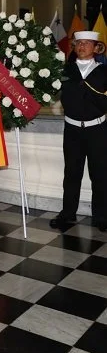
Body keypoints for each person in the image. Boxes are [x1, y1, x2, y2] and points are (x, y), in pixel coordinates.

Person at [51, 31, 107, 231]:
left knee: (100, 174)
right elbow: (51, 92)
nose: (82, 46)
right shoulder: (65, 70)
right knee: (72, 173)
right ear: (74, 47)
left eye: (87, 43)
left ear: (96, 47)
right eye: (78, 43)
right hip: (72, 130)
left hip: (97, 131)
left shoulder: (103, 71)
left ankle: (101, 216)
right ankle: (68, 213)